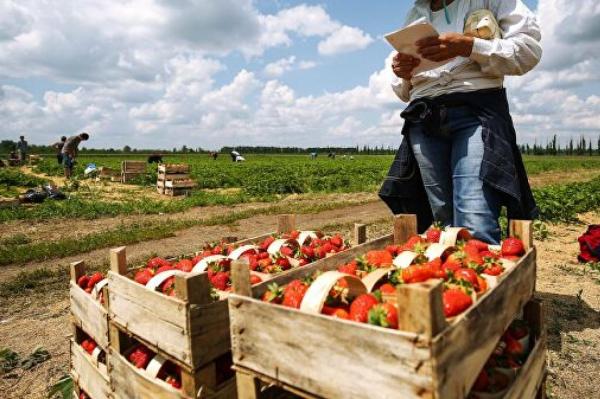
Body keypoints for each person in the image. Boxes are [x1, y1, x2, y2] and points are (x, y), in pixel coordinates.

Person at [379, 0, 541, 244]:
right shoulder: (416, 13)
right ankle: (454, 277)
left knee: (475, 222)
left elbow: (527, 51)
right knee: (444, 220)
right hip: (424, 117)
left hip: (475, 111)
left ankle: (481, 272)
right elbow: (404, 92)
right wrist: (402, 71)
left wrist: (469, 46)